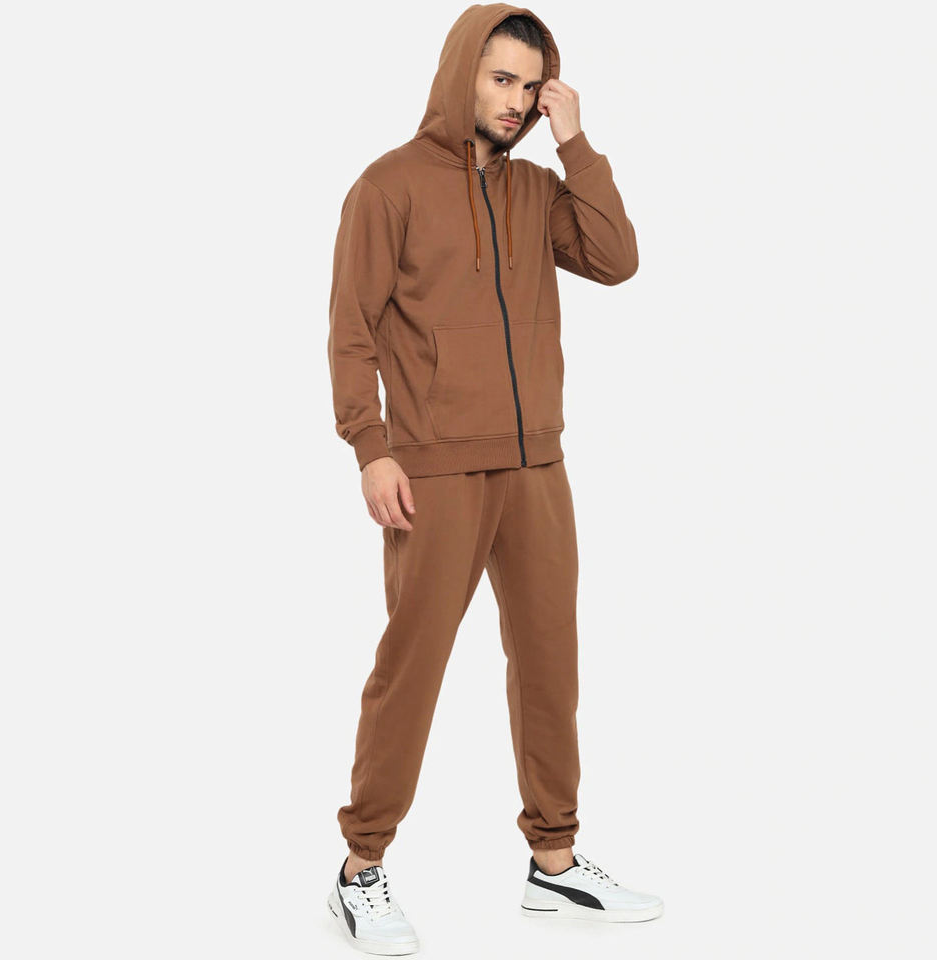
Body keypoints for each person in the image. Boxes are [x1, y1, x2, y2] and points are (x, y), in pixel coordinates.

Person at [325, 5, 662, 952]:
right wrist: (371, 446)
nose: (515, 100)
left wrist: (576, 141)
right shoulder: (386, 186)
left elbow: (618, 260)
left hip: (537, 465)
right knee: (412, 669)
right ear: (461, 74)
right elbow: (351, 333)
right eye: (501, 79)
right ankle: (360, 869)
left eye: (530, 84)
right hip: (433, 471)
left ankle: (554, 861)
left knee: (551, 664)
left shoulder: (537, 191)